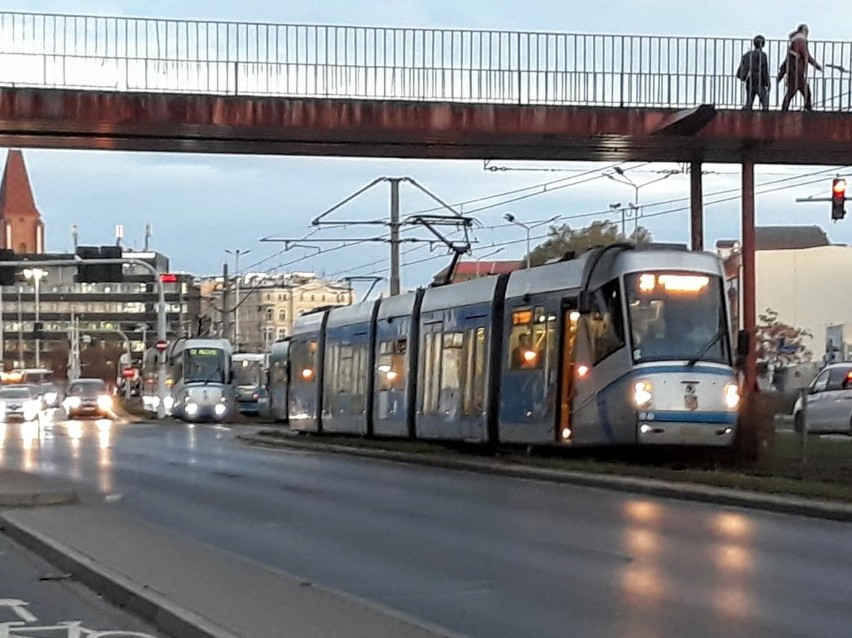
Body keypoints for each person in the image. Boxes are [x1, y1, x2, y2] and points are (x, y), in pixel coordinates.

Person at [779, 24, 822, 111]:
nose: (808, 32)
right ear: (802, 31)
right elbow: (806, 56)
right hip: (797, 70)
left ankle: (784, 109)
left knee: (792, 91)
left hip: (793, 70)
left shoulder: (794, 41)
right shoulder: (801, 40)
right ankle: (807, 108)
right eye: (806, 30)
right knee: (805, 91)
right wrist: (817, 65)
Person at [740, 35, 771, 111]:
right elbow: (764, 70)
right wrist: (768, 83)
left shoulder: (747, 55)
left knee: (749, 103)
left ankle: (747, 119)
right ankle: (765, 120)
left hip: (749, 81)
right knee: (765, 103)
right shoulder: (763, 55)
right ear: (762, 44)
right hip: (760, 82)